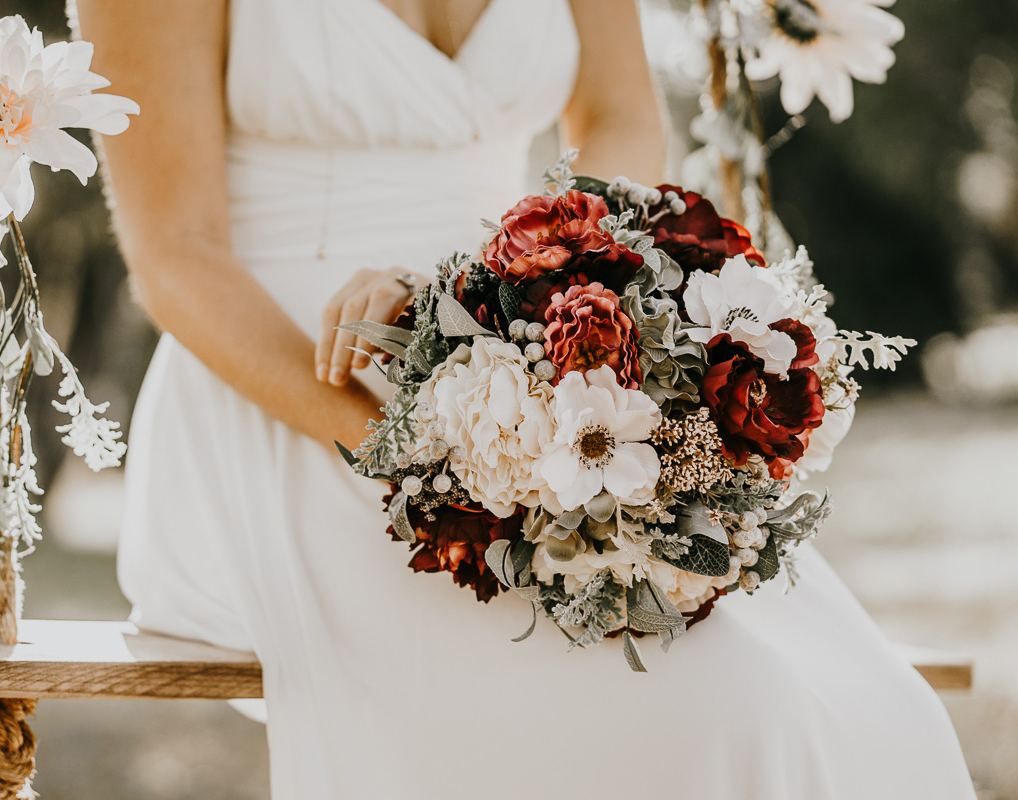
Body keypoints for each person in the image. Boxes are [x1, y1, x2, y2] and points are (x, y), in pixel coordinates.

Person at [73, 0, 977, 797]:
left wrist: (536, 294)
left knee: (866, 710)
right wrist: (418, 446)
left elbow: (621, 120)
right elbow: (175, 253)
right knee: (724, 715)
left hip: (529, 340)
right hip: (290, 384)